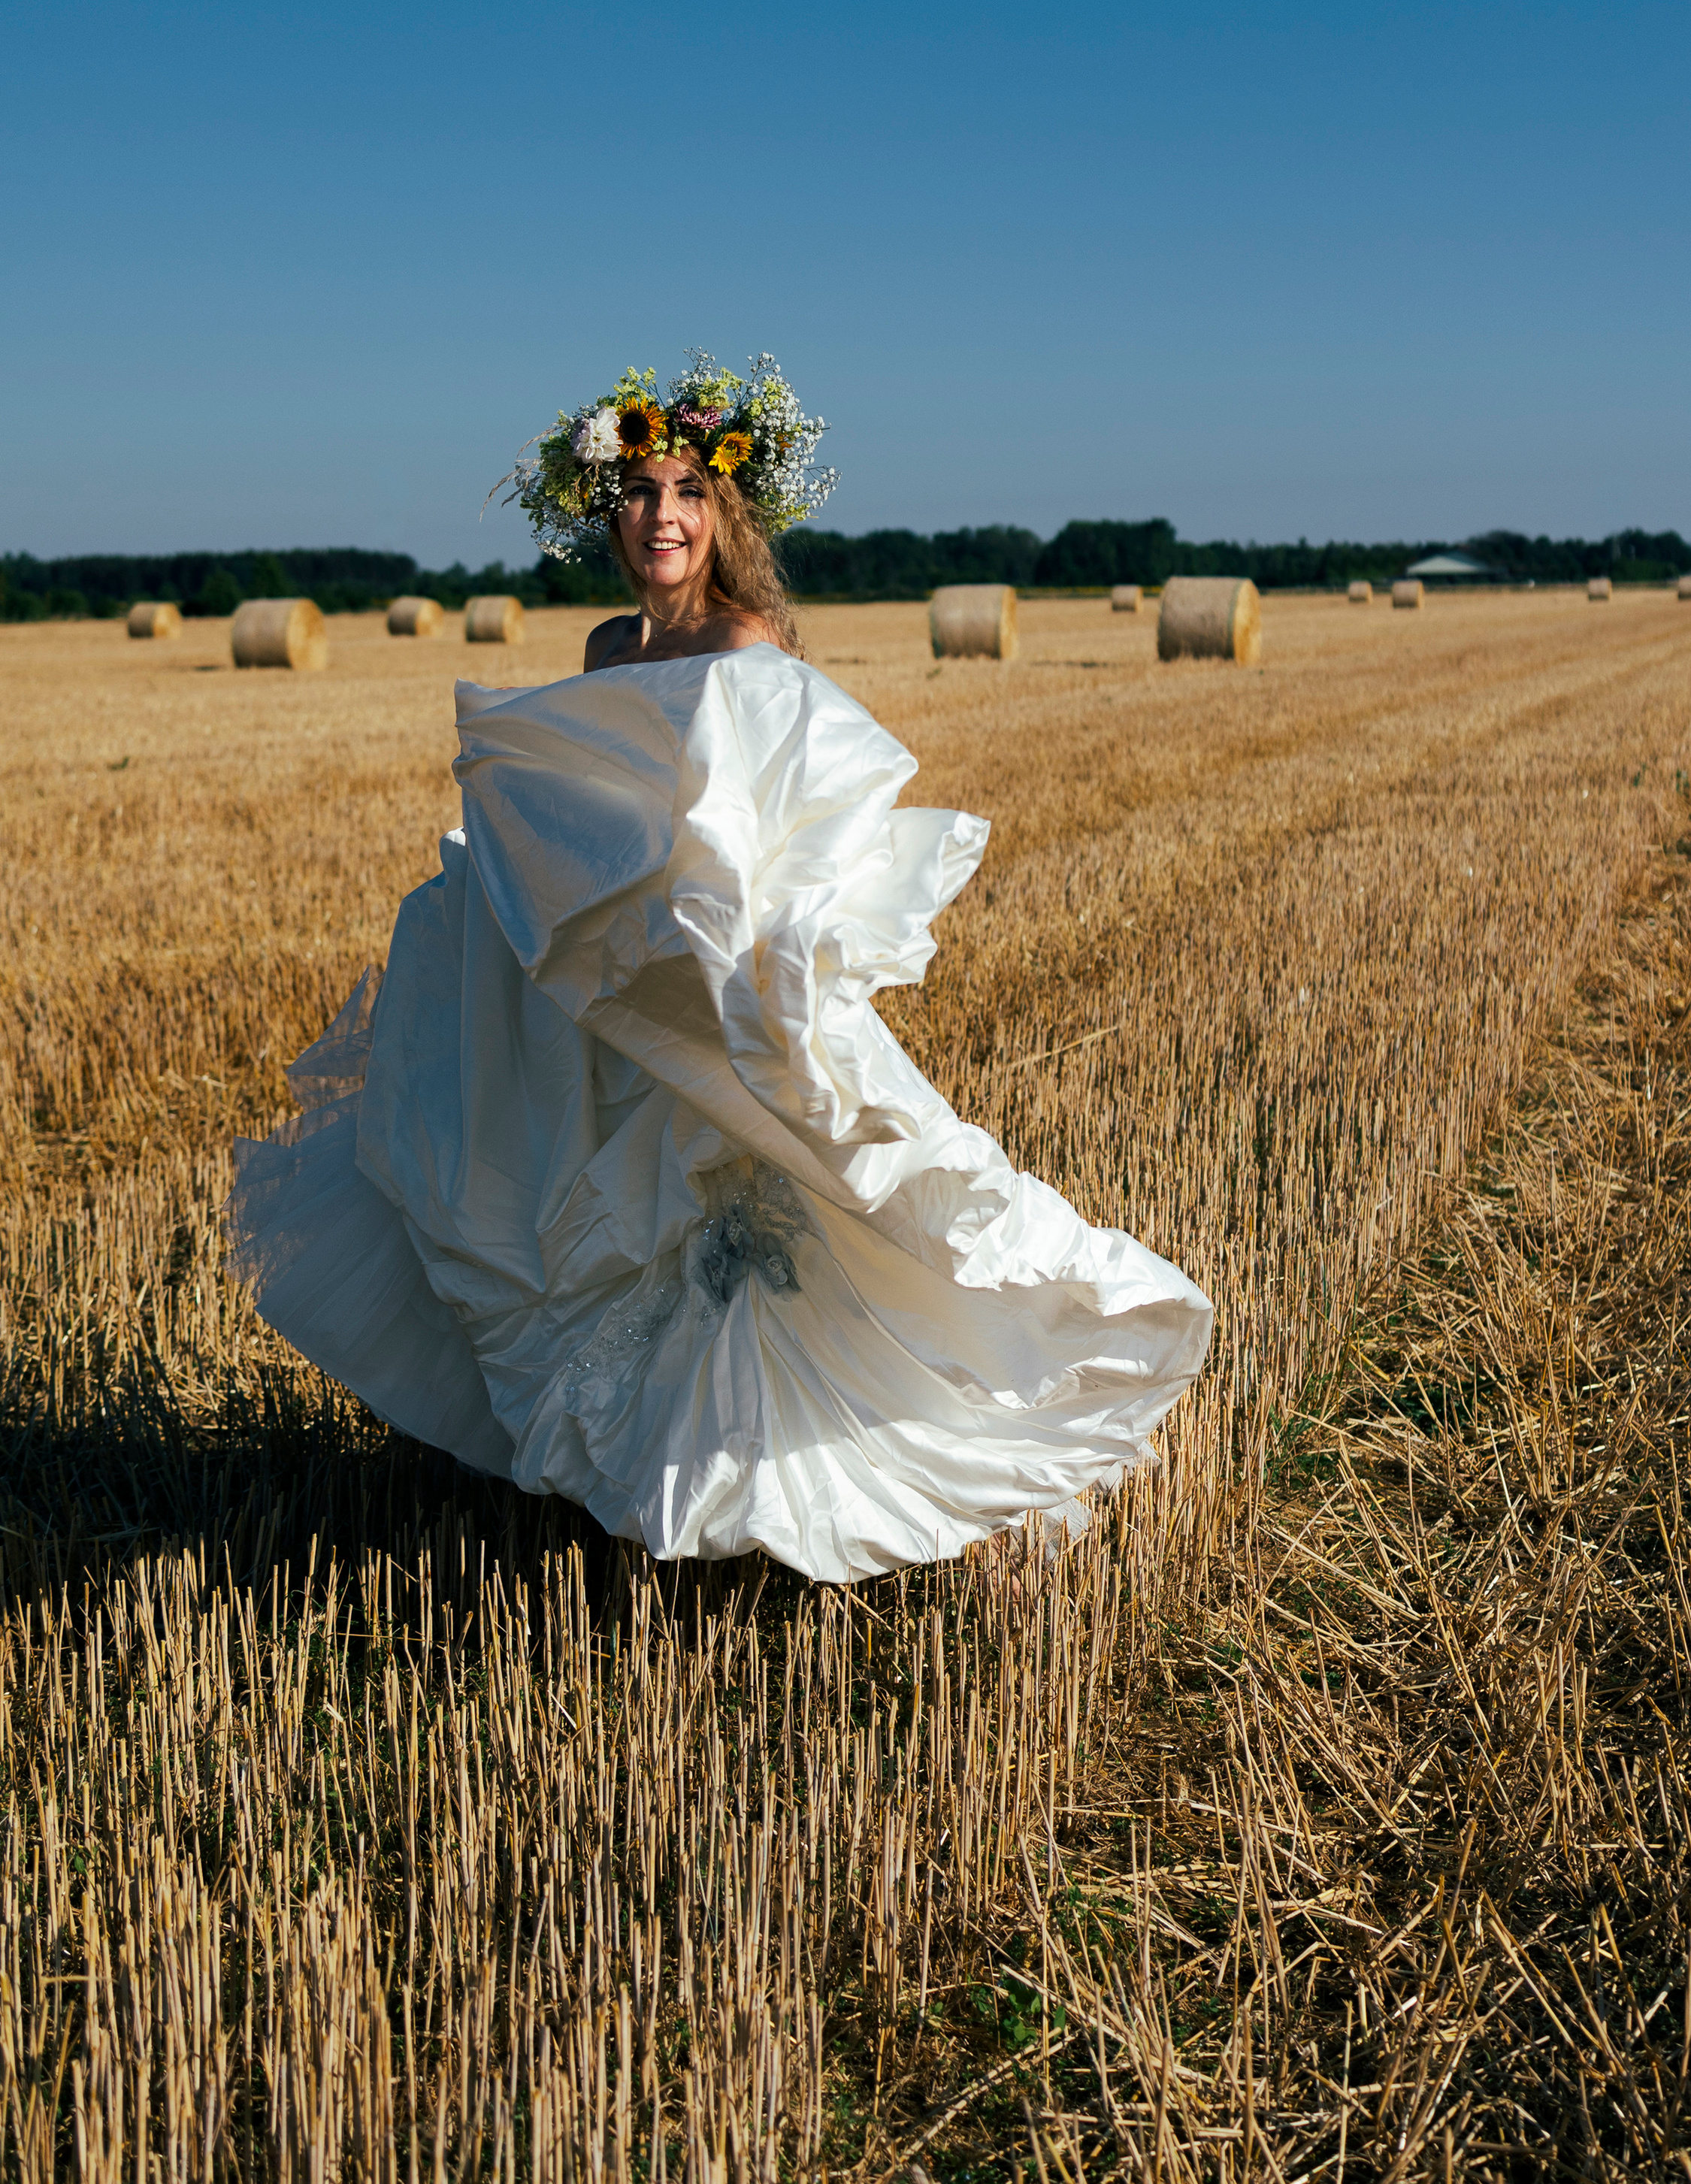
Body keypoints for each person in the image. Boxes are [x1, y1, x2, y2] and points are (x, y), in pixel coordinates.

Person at [228, 355, 1212, 1581]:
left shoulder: (748, 643)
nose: (663, 515)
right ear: (608, 513)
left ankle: (764, 1488)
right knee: (594, 1224)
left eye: (688, 488)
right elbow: (583, 818)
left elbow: (775, 817)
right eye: (638, 491)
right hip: (613, 990)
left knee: (742, 1238)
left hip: (709, 984)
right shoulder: (600, 647)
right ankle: (644, 1484)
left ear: (722, 510)